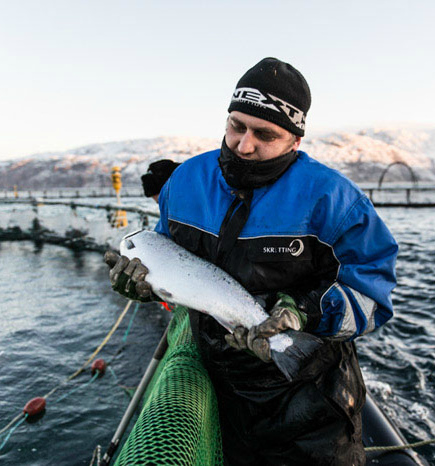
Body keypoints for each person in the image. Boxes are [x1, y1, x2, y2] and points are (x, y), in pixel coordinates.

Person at [105, 57, 398, 465]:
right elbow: (169, 255)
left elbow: (373, 293)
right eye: (236, 126)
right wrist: (144, 284)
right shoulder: (185, 182)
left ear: (295, 140)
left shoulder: (335, 200)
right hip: (217, 387)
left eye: (265, 134)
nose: (244, 144)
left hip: (310, 406)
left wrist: (301, 314)